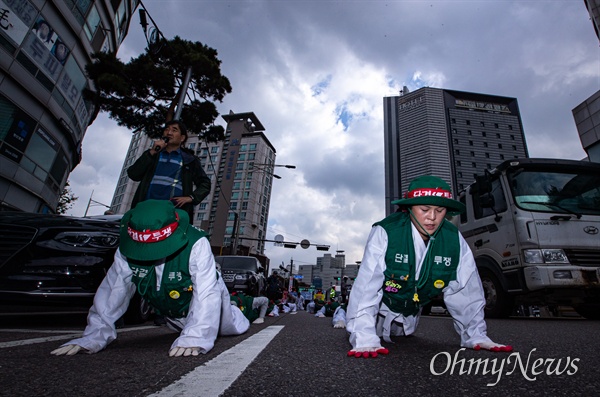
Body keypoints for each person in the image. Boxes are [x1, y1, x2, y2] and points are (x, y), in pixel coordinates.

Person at [51, 200, 249, 357]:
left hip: (214, 306)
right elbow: (113, 291)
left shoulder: (197, 243)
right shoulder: (126, 247)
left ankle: (245, 305)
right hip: (172, 313)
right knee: (178, 328)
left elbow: (206, 292)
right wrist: (93, 337)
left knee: (228, 326)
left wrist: (196, 337)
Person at [346, 175, 512, 358]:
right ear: (409, 208)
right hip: (381, 308)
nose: (432, 218)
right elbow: (366, 287)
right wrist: (364, 338)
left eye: (440, 210)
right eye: (424, 209)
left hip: (412, 312)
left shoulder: (453, 239)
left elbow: (467, 290)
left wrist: (476, 335)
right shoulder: (386, 232)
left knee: (403, 337)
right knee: (370, 338)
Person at [127, 120, 211, 224]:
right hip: (146, 208)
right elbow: (133, 174)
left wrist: (191, 198)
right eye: (166, 129)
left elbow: (205, 183)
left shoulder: (189, 160)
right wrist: (152, 152)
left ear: (182, 138)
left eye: (174, 130)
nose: (169, 132)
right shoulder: (153, 155)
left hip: (173, 213)